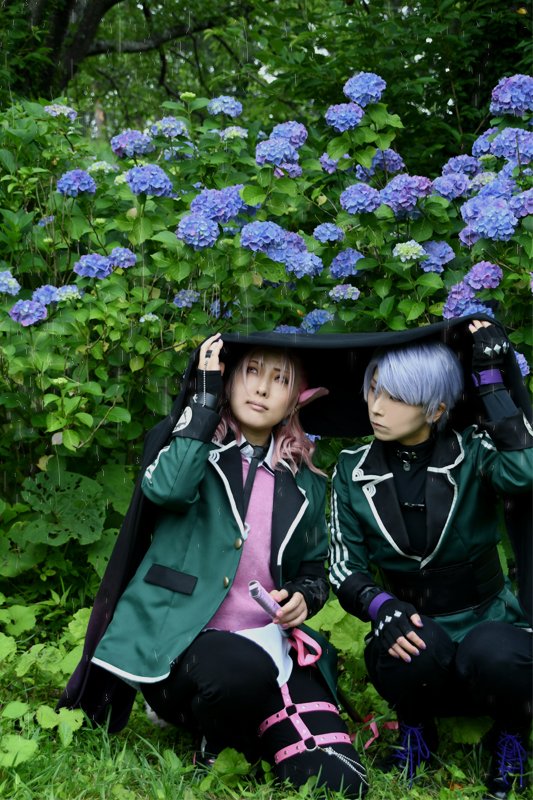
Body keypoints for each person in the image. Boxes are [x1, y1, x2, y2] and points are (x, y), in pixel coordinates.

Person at [86, 333, 368, 797]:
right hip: (183, 650)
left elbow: (313, 570)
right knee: (240, 671)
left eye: (280, 380)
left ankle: (260, 721)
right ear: (229, 380)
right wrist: (204, 400)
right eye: (251, 372)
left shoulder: (306, 483)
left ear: (295, 400)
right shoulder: (190, 449)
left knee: (338, 779)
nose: (262, 388)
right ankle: (214, 739)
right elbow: (166, 490)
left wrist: (304, 597)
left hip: (272, 647)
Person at [328, 320, 532, 799]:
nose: (377, 406)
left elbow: (524, 471)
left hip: (487, 619)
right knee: (402, 647)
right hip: (416, 627)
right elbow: (343, 565)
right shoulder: (351, 469)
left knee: (497, 653)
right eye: (375, 389)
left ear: (436, 408)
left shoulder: (474, 452)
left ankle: (510, 734)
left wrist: (492, 382)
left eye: (397, 397)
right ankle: (417, 731)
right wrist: (381, 607)